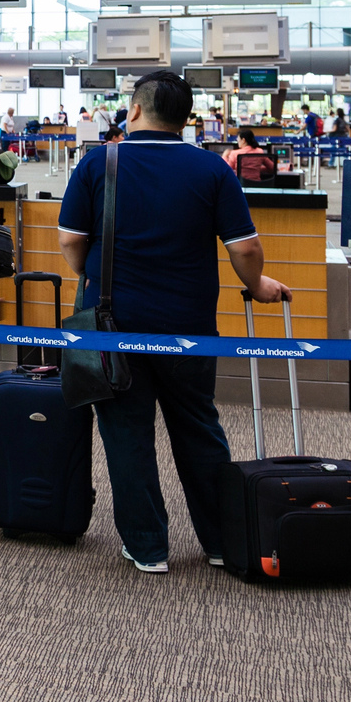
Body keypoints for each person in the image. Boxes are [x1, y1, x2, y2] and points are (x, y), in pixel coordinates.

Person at [57, 70, 289, 574]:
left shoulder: (100, 161)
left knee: (126, 433)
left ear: (134, 110)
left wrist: (91, 276)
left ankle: (148, 547)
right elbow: (244, 247)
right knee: (199, 429)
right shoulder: (212, 170)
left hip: (116, 326)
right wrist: (257, 285)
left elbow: (71, 241)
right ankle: (222, 541)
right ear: (185, 120)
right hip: (190, 328)